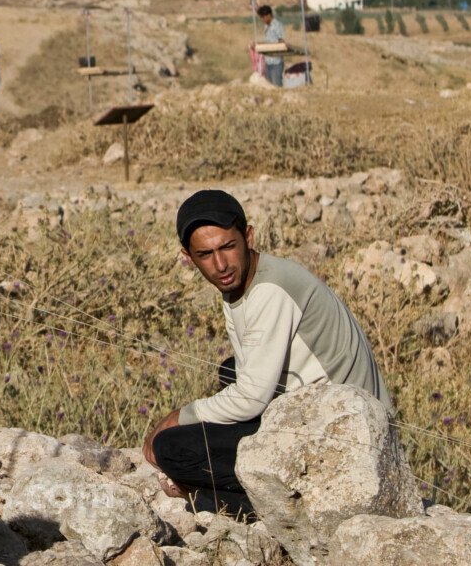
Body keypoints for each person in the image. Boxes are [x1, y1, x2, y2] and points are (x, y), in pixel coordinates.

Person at [143, 189, 390, 518]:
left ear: (248, 236)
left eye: (228, 247)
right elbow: (249, 380)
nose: (220, 264)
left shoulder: (270, 289)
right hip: (311, 410)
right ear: (188, 256)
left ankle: (266, 506)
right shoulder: (242, 282)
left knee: (171, 447)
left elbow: (252, 398)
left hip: (347, 440)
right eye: (206, 254)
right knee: (229, 370)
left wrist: (178, 417)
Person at [257, 5, 285, 86]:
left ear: (269, 15)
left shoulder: (277, 25)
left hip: (276, 61)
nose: (262, 19)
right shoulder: (267, 26)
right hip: (268, 61)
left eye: (263, 17)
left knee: (276, 86)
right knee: (269, 86)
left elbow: (281, 41)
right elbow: (268, 41)